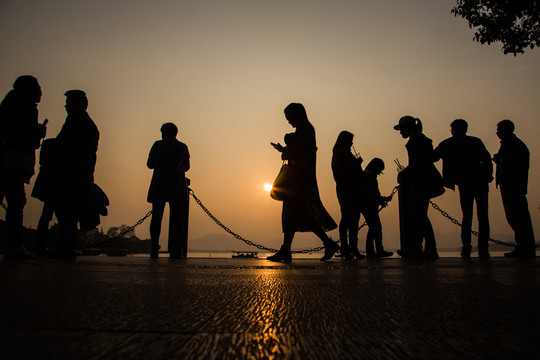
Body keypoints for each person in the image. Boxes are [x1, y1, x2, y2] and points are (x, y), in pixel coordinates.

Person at [268, 103, 339, 262]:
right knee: (298, 216)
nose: (288, 122)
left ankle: (288, 250)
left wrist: (285, 150)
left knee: (293, 215)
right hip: (300, 182)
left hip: (298, 182)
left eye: (289, 118)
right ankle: (289, 249)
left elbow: (298, 153)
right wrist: (284, 149)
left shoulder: (305, 130)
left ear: (297, 115)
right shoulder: (305, 130)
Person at [0, 75, 47, 260]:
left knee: (15, 201)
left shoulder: (9, 104)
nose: (41, 93)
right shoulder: (25, 107)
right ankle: (13, 246)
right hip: (11, 161)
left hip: (8, 160)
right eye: (38, 88)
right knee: (17, 202)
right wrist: (38, 133)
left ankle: (13, 245)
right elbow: (23, 137)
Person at [433, 119, 493, 258]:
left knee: (468, 216)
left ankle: (467, 248)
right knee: (482, 215)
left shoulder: (448, 144)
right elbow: (487, 159)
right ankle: (483, 248)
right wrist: (488, 175)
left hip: (465, 183)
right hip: (480, 182)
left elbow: (432, 157)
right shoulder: (475, 142)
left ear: (454, 130)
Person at [51, 90, 100, 259]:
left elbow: (66, 147)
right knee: (68, 213)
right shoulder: (85, 122)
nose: (66, 105)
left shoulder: (76, 121)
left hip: (71, 173)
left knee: (66, 212)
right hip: (79, 172)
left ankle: (65, 248)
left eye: (69, 102)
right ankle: (66, 247)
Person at [394, 115, 443, 259]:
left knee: (418, 215)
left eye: (401, 129)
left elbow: (418, 163)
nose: (400, 132)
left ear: (408, 127)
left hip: (422, 182)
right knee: (420, 216)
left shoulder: (416, 140)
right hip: (424, 181)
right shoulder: (419, 139)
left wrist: (405, 173)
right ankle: (427, 248)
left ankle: (418, 248)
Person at [147, 122, 190, 259]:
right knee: (176, 219)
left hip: (159, 184)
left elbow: (150, 164)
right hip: (177, 185)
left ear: (163, 133)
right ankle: (176, 248)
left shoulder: (157, 145)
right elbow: (187, 167)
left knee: (156, 217)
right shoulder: (183, 147)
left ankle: (154, 246)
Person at [493, 120, 536, 258]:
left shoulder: (511, 144)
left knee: (517, 217)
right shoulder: (514, 144)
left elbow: (511, 166)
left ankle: (525, 247)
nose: (497, 132)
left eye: (499, 130)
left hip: (512, 186)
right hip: (513, 185)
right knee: (517, 217)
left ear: (505, 130)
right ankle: (524, 246)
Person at [331, 131, 364, 259]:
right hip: (350, 189)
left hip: (343, 189)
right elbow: (348, 171)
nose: (352, 143)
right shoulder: (343, 153)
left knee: (346, 218)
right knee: (352, 219)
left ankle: (347, 247)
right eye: (350, 140)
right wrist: (357, 163)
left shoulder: (336, 154)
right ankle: (351, 248)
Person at [360, 158, 393, 259]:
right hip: (369, 206)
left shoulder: (366, 175)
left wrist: (381, 200)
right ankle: (375, 251)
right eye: (380, 170)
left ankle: (375, 251)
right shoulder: (369, 177)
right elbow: (371, 194)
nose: (379, 173)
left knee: (374, 228)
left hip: (367, 206)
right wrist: (383, 199)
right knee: (375, 228)